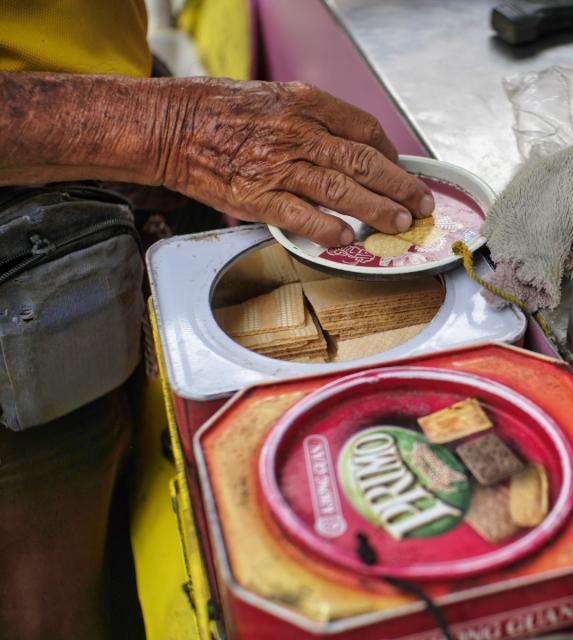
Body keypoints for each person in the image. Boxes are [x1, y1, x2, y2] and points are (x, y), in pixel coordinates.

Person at [0, 2, 433, 638]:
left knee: (139, 531)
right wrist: (164, 127)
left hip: (88, 186)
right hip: (21, 311)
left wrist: (126, 92)